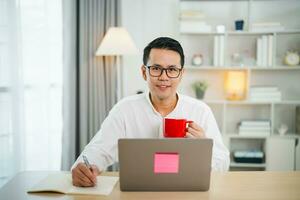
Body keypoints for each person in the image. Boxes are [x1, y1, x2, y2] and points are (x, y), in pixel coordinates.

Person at [71, 37, 230, 187]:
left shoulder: (200, 111)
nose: (164, 77)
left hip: (186, 191)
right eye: (156, 69)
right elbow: (99, 150)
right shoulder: (125, 109)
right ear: (143, 72)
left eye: (172, 69)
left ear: (181, 74)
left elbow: (223, 163)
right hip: (137, 192)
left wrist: (202, 150)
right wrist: (83, 168)